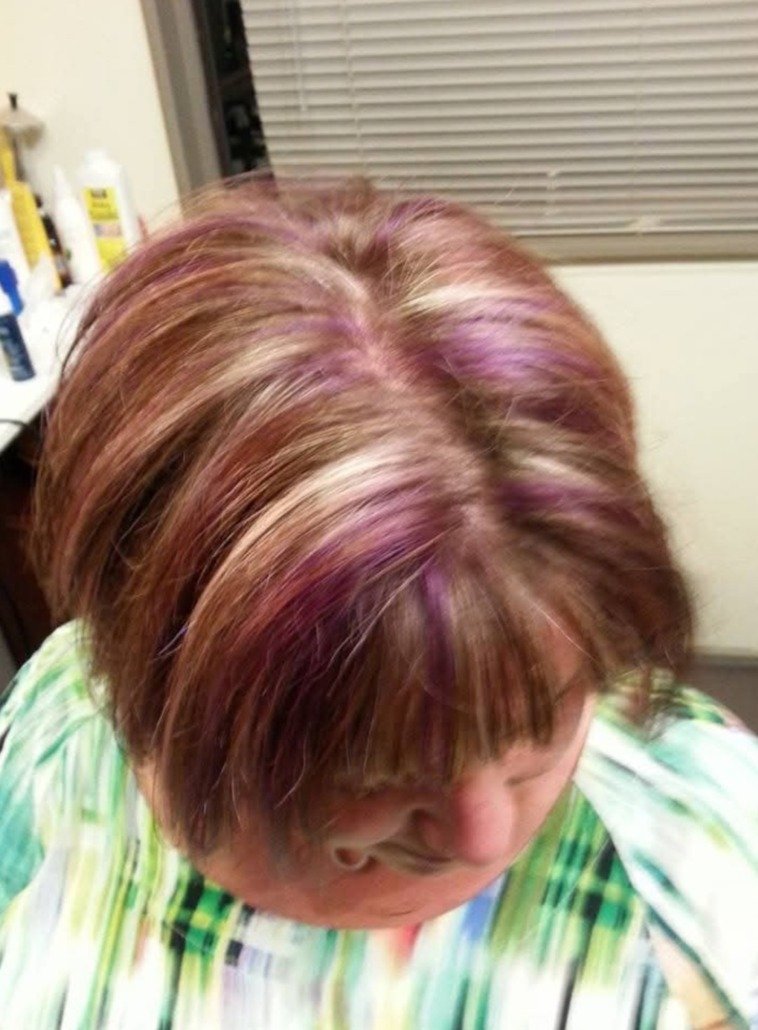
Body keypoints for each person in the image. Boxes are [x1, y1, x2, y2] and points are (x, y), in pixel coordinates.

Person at [0, 178, 755, 1029]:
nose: (484, 835)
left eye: (544, 718)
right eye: (377, 762)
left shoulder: (706, 867)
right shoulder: (63, 718)